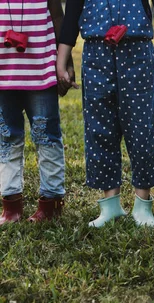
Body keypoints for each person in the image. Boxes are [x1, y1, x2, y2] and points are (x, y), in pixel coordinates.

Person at [56, 0, 154, 227]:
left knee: (141, 128)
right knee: (99, 128)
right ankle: (110, 205)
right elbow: (73, 11)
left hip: (137, 53)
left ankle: (142, 205)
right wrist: (62, 58)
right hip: (96, 55)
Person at [0, 0, 76, 225]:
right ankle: (11, 205)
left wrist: (66, 64)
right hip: (4, 76)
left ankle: (51, 203)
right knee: (6, 139)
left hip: (40, 75)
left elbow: (58, 19)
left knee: (47, 138)